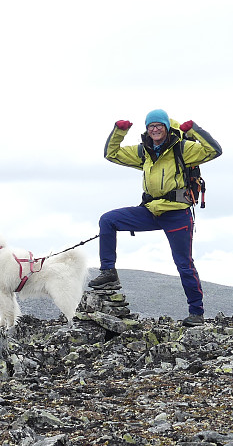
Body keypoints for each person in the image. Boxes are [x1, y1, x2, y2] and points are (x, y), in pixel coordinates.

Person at [89, 109, 222, 326]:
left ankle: (196, 313)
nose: (155, 129)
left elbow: (214, 150)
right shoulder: (144, 151)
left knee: (184, 264)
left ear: (167, 127)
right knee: (108, 220)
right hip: (151, 211)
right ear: (147, 129)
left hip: (177, 214)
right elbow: (112, 154)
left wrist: (195, 130)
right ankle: (108, 272)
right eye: (151, 126)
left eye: (159, 125)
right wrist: (119, 131)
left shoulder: (183, 148)